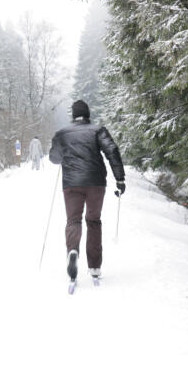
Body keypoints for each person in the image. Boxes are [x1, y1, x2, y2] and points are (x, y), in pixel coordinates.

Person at [49, 100, 125, 284]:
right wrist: (120, 178)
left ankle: (72, 251)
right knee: (93, 221)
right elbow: (112, 151)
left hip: (71, 184)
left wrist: (65, 152)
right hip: (95, 183)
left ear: (73, 116)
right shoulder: (98, 130)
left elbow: (54, 158)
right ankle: (95, 266)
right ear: (88, 114)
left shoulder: (62, 134)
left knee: (73, 220)